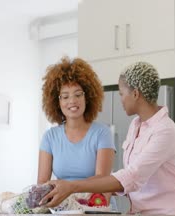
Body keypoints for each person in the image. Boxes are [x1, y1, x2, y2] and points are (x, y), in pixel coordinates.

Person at [42, 61, 175, 216]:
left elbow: (133, 176)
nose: (120, 99)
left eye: (122, 93)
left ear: (135, 94)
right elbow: (128, 177)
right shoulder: (136, 125)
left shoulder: (165, 131)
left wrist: (73, 186)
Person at [38, 56, 116, 203]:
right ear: (57, 101)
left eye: (78, 94)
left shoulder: (102, 133)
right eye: (65, 96)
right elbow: (42, 184)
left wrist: (72, 191)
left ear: (88, 96)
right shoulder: (50, 137)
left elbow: (103, 180)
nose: (72, 101)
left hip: (95, 206)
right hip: (62, 209)